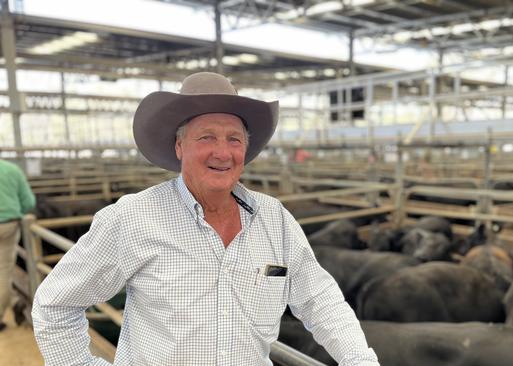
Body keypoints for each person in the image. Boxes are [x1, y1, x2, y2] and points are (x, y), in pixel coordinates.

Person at [32, 72, 379, 365]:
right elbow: (56, 305)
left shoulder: (275, 219)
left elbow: (321, 301)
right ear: (180, 147)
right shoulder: (133, 218)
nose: (222, 152)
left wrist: (360, 361)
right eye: (206, 137)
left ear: (246, 150)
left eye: (234, 139)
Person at [0, 158, 35, 331]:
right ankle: (13, 301)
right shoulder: (12, 170)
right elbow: (29, 202)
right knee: (4, 270)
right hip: (8, 225)